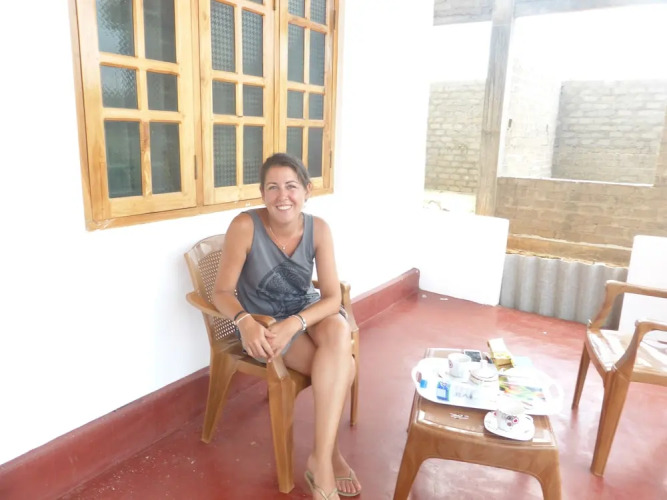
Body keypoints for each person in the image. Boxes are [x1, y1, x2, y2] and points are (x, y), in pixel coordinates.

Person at [212, 153, 361, 500]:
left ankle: (320, 460)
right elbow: (221, 292)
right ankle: (329, 457)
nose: (283, 196)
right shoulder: (245, 226)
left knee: (338, 331)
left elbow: (331, 298)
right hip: (264, 325)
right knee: (344, 367)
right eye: (273, 187)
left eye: (291, 186)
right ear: (262, 193)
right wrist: (245, 322)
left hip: (302, 314)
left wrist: (296, 323)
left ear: (307, 191)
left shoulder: (318, 229)